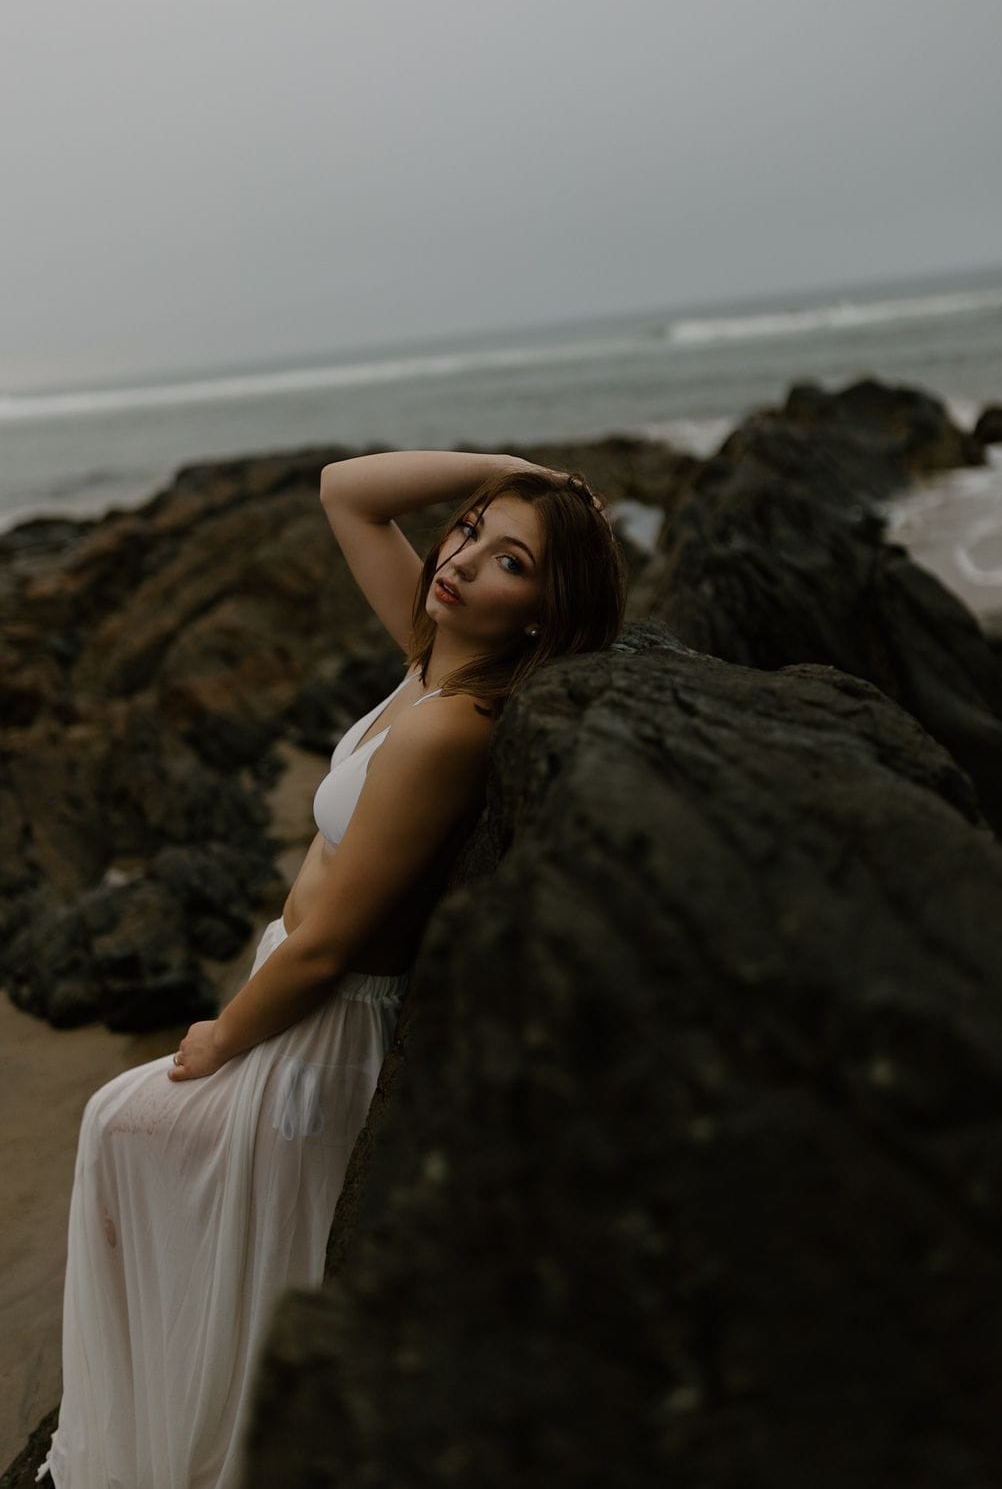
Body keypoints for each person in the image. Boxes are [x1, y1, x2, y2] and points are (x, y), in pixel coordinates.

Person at [38, 449, 627, 1489]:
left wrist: (226, 1033)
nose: (459, 559)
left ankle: (178, 1452)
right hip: (297, 1006)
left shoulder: (452, 724)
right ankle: (169, 1436)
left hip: (320, 1031)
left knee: (138, 1146)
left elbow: (327, 945)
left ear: (545, 609)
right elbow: (345, 489)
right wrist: (519, 475)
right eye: (469, 528)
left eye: (509, 562)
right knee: (146, 1163)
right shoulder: (432, 657)